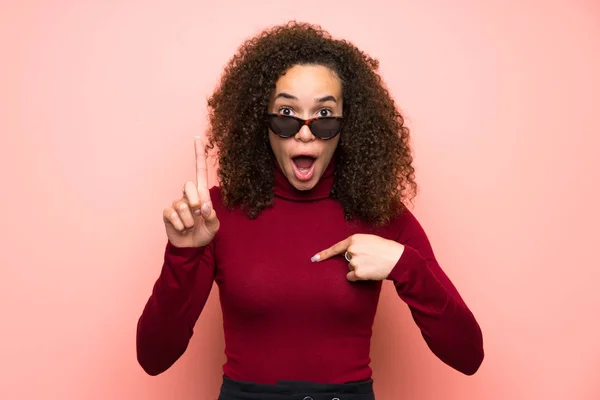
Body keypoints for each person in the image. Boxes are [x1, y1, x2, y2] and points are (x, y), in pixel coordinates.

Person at [136, 21, 484, 400]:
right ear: (261, 122)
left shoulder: (382, 214)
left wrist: (406, 266)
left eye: (324, 115)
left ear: (347, 124)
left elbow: (467, 355)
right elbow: (154, 358)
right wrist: (184, 256)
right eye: (286, 113)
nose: (304, 132)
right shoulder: (216, 214)